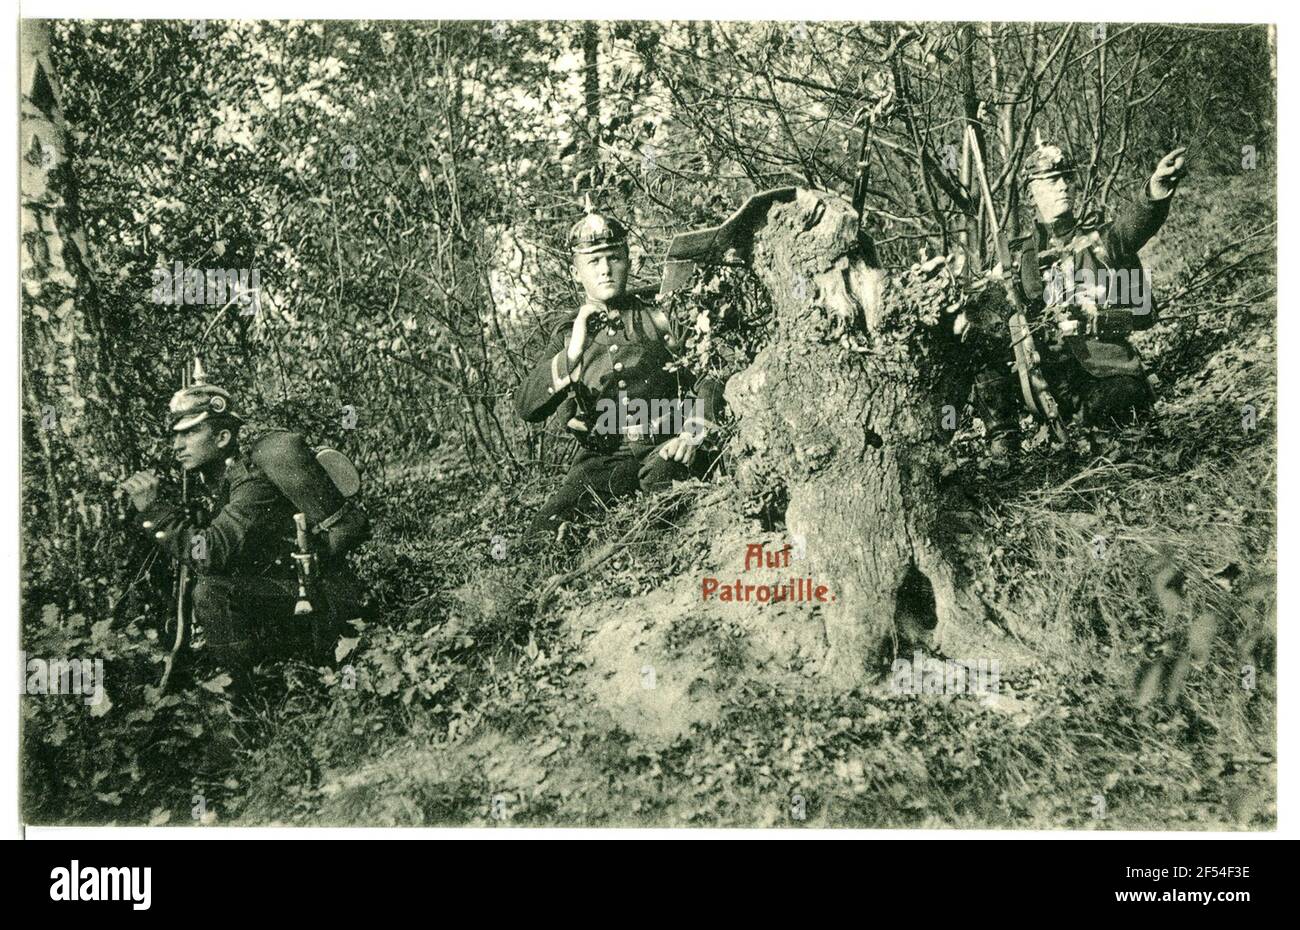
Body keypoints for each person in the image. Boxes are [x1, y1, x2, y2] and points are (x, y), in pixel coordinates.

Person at [120, 382, 370, 684]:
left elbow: (208, 551)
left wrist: (153, 513)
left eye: (190, 433)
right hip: (294, 596)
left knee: (212, 591)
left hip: (323, 604)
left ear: (223, 437)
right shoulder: (219, 480)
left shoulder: (252, 482)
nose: (177, 445)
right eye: (176, 434)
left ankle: (250, 696)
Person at [515, 203, 726, 542]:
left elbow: (712, 372)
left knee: (666, 510)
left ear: (630, 260)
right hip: (603, 457)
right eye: (593, 261)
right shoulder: (568, 334)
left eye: (613, 257)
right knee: (543, 533)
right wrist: (572, 353)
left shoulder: (659, 314)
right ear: (575, 272)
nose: (605, 270)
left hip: (664, 443)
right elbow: (526, 408)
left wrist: (694, 433)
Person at [973, 137, 1188, 454]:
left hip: (1104, 374)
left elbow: (1134, 225)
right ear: (1032, 193)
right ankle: (1004, 446)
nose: (1061, 187)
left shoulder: (1100, 242)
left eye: (1064, 180)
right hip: (1046, 380)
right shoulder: (1016, 261)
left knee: (1118, 412)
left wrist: (1154, 190)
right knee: (980, 342)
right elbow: (990, 326)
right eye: (1050, 181)